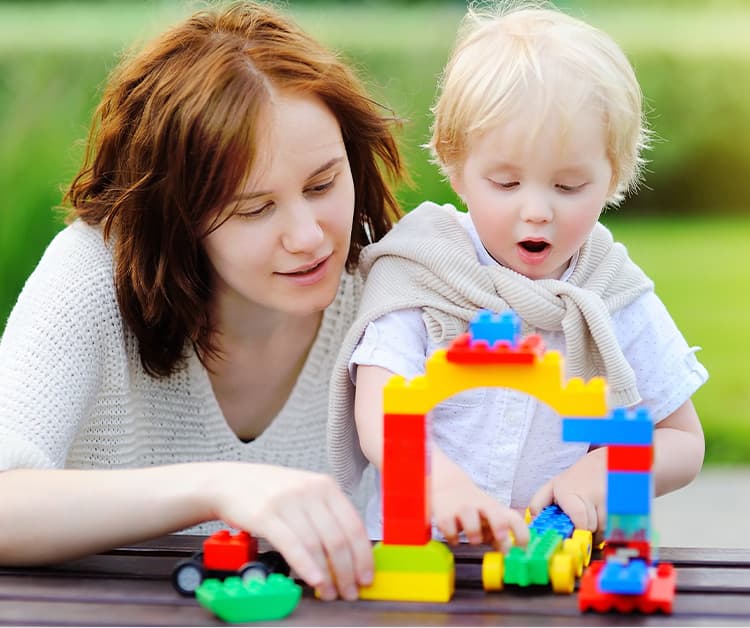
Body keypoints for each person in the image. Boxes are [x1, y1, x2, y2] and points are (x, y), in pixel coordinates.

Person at [0, 1, 405, 601]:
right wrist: (220, 486)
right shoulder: (92, 274)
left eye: (322, 184)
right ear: (177, 216)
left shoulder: (387, 280)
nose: (309, 236)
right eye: (254, 208)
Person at [328, 0, 707, 547]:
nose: (536, 211)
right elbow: (380, 412)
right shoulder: (424, 270)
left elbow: (681, 440)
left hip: (557, 561)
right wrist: (443, 484)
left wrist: (599, 474)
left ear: (613, 175)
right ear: (456, 170)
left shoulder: (612, 294)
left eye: (568, 186)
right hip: (422, 561)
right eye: (505, 184)